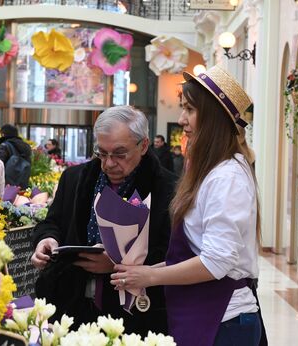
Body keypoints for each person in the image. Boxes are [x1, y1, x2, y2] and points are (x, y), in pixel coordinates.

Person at [110, 66, 266, 346]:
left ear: (215, 118)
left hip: (224, 321)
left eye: (190, 110)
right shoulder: (212, 171)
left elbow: (217, 261)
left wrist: (152, 275)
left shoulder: (228, 177)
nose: (181, 119)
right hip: (206, 313)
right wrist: (142, 275)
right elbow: (194, 252)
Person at [31, 105, 177, 335]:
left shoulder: (168, 189)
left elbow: (172, 252)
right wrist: (46, 240)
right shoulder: (75, 178)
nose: (109, 163)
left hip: (135, 315)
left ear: (144, 146)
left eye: (120, 154)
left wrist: (117, 265)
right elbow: (53, 222)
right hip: (71, 306)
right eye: (102, 153)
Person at [0, 124, 32, 189]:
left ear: (4, 134)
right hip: (23, 183)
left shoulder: (4, 146)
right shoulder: (25, 147)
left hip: (7, 185)